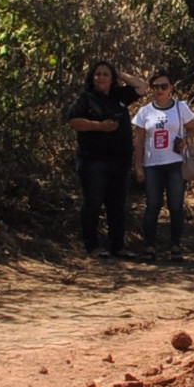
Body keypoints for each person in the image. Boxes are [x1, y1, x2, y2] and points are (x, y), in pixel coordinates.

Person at [65, 56, 139, 258]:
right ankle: (92, 246)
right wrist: (100, 127)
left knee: (117, 204)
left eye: (106, 74)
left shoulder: (120, 96)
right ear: (92, 77)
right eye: (98, 74)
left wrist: (120, 74)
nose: (102, 77)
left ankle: (118, 246)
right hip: (93, 161)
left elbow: (141, 87)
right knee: (93, 202)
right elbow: (74, 121)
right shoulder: (85, 99)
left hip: (120, 160)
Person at [133, 69, 194, 256]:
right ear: (151, 89)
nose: (160, 90)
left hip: (176, 163)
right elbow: (138, 142)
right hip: (153, 165)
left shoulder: (181, 108)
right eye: (156, 86)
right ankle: (150, 246)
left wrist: (187, 141)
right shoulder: (145, 112)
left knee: (176, 205)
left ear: (171, 88)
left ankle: (175, 245)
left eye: (164, 86)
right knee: (153, 205)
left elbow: (192, 129)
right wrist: (138, 166)